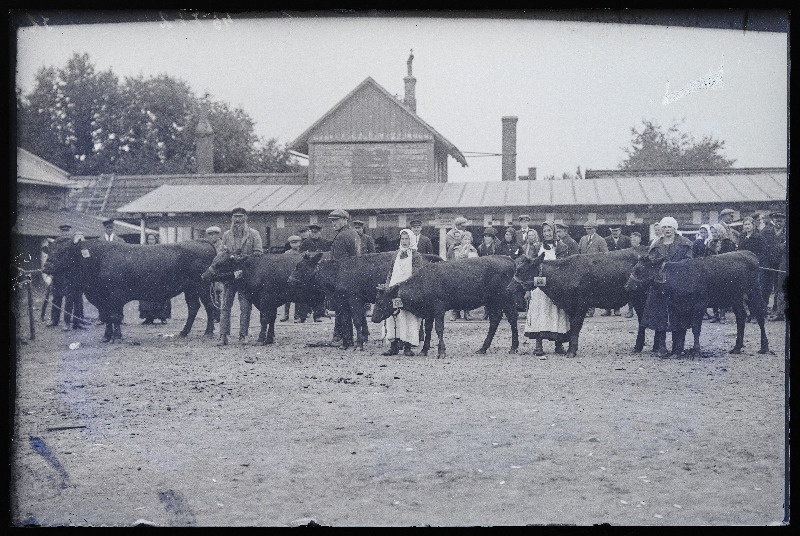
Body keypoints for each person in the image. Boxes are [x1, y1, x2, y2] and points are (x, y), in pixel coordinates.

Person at [640, 216, 693, 357]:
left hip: (679, 287)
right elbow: (650, 264)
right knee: (660, 317)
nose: (667, 230)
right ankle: (661, 347)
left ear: (674, 228)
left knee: (679, 317)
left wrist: (671, 266)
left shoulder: (685, 244)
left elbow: (689, 263)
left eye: (669, 227)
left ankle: (678, 348)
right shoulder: (656, 245)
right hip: (660, 286)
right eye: (664, 227)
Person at [523, 221, 571, 356]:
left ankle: (558, 344)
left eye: (549, 230)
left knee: (557, 313)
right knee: (540, 313)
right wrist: (528, 289)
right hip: (539, 286)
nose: (547, 233)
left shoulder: (562, 247)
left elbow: (562, 268)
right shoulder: (536, 247)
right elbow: (530, 269)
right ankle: (538, 345)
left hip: (555, 287)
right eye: (545, 231)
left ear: (554, 231)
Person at [219, 207, 263, 344]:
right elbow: (221, 254)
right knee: (226, 306)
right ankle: (223, 335)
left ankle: (243, 335)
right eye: (235, 216)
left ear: (246, 218)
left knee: (245, 306)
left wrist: (244, 258)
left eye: (240, 216)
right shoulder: (226, 235)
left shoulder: (253, 234)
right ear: (231, 218)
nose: (238, 220)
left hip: (245, 276)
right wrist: (229, 257)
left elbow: (259, 253)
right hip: (230, 276)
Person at [379, 229, 426, 356]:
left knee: (407, 317)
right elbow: (390, 272)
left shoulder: (416, 256)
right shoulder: (396, 254)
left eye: (407, 239)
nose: (404, 242)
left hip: (408, 291)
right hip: (393, 291)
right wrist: (388, 286)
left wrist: (404, 287)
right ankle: (393, 346)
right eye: (402, 239)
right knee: (392, 316)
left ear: (411, 240)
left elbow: (416, 274)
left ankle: (407, 346)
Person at [328, 209, 361, 349]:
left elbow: (338, 262)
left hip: (343, 278)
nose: (333, 223)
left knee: (342, 309)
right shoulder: (354, 233)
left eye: (335, 220)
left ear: (344, 220)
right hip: (354, 276)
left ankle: (344, 339)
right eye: (331, 221)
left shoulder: (342, 236)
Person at [738, 216, 768, 322]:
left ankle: (757, 314)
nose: (747, 226)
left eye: (749, 224)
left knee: (756, 291)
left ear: (753, 225)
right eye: (745, 225)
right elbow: (739, 252)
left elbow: (763, 253)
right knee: (747, 292)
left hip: (755, 267)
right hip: (745, 269)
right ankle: (750, 313)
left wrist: (756, 263)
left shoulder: (759, 238)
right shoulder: (742, 237)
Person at [138, 233, 171, 325]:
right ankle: (149, 317)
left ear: (156, 240)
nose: (151, 241)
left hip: (159, 277)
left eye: (152, 239)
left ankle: (162, 317)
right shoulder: (143, 250)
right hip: (147, 276)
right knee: (146, 297)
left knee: (161, 297)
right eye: (149, 239)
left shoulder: (161, 250)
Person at [299, 223, 330, 322]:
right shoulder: (305, 243)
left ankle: (318, 315)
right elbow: (300, 255)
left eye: (316, 232)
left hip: (321, 271)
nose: (314, 234)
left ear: (320, 232)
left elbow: (328, 255)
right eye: (312, 232)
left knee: (319, 292)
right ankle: (302, 316)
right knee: (305, 292)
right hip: (308, 272)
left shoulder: (325, 242)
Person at [578, 220, 608, 317]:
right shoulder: (583, 239)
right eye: (586, 229)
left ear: (595, 229)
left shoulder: (600, 240)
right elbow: (579, 252)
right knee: (585, 289)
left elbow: (605, 255)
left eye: (589, 229)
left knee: (594, 289)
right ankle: (587, 309)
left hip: (595, 269)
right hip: (584, 268)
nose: (587, 231)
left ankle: (593, 310)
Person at [602, 225, 632, 315]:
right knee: (607, 288)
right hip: (609, 268)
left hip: (621, 268)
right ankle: (607, 309)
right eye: (613, 230)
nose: (614, 232)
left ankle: (617, 308)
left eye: (616, 230)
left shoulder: (626, 240)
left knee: (619, 288)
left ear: (620, 230)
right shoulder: (606, 240)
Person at [451, 232, 478, 321]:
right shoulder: (457, 248)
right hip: (458, 273)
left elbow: (476, 260)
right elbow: (457, 258)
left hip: (469, 273)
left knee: (468, 293)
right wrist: (464, 250)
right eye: (465, 239)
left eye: (468, 239)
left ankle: (467, 313)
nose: (467, 241)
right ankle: (455, 313)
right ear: (461, 240)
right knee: (456, 293)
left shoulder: (473, 249)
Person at [280, 235, 306, 323]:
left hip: (299, 277)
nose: (294, 244)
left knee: (298, 297)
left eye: (296, 242)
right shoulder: (286, 253)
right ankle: (286, 314)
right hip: (289, 276)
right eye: (292, 243)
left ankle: (297, 315)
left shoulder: (303, 254)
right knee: (287, 297)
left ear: (300, 243)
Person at [768, 212, 786, 321]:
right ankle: (776, 309)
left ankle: (780, 312)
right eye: (776, 220)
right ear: (773, 221)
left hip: (783, 262)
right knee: (774, 287)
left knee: (781, 287)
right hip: (771, 262)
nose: (778, 222)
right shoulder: (768, 231)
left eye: (781, 220)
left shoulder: (786, 231)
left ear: (784, 221)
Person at [205, 226, 224, 323]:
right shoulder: (207, 246)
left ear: (218, 235)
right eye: (210, 234)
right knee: (210, 293)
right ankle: (213, 314)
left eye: (215, 234)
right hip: (210, 271)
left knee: (218, 292)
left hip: (219, 271)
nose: (213, 236)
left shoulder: (222, 245)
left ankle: (218, 314)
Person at [624, 231, 643, 318]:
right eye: (632, 239)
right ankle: (630, 309)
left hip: (641, 275)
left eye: (635, 239)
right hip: (630, 274)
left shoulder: (643, 250)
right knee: (630, 292)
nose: (633, 241)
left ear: (640, 239)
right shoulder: (628, 250)